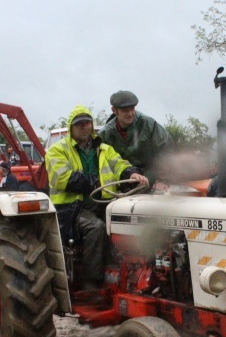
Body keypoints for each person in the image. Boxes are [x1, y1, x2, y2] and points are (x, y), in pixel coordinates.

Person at [45, 105, 148, 288]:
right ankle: (92, 282)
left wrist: (131, 174)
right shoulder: (57, 150)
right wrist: (94, 182)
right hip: (71, 209)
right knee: (97, 228)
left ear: (92, 125)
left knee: (127, 222)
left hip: (102, 204)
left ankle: (126, 273)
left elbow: (119, 165)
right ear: (71, 128)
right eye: (79, 124)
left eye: (87, 123)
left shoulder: (104, 149)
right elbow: (61, 178)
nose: (84, 127)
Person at [97, 90, 172, 184]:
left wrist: (162, 181)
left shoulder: (149, 125)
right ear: (114, 110)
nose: (130, 114)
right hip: (122, 180)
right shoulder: (105, 134)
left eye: (132, 109)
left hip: (150, 177)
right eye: (125, 110)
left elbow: (166, 152)